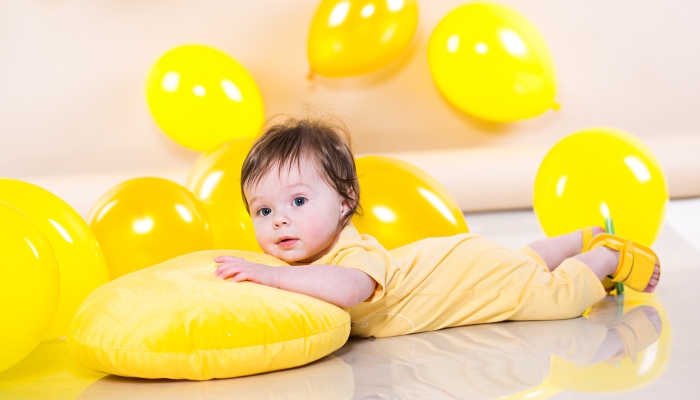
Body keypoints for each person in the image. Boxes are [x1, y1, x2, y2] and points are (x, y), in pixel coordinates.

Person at [213, 116, 660, 338]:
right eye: (263, 211)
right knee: (519, 266)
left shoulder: (351, 256)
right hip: (467, 263)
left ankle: (606, 255)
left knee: (554, 296)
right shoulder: (307, 258)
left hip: (472, 276)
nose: (280, 219)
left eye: (298, 200)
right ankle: (578, 240)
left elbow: (348, 289)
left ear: (346, 203)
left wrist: (274, 276)